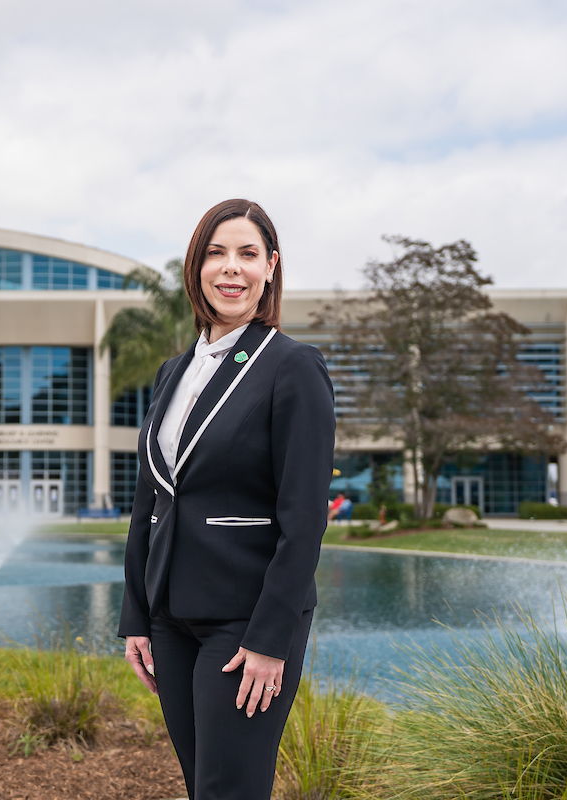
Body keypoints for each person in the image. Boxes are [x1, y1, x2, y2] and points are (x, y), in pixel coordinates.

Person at [119, 199, 336, 799]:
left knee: (229, 792)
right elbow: (150, 504)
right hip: (170, 618)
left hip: (246, 622)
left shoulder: (292, 367)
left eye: (247, 254)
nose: (230, 269)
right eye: (216, 253)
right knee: (201, 788)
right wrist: (137, 616)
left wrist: (271, 638)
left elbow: (304, 521)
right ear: (196, 267)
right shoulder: (173, 372)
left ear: (271, 267)